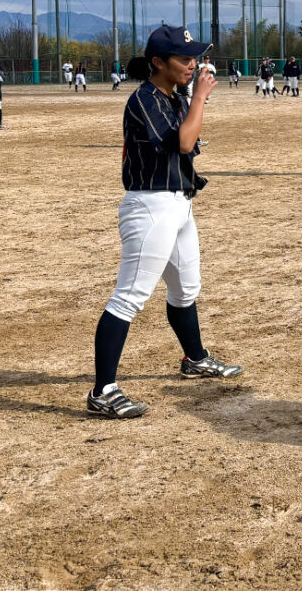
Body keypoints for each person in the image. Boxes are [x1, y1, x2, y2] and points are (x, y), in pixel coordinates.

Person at [86, 25, 242, 419]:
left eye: (194, 57)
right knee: (129, 297)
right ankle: (103, 391)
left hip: (179, 204)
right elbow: (185, 142)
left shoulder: (174, 97)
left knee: (185, 289)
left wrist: (193, 99)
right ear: (157, 62)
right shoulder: (144, 98)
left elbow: (186, 145)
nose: (192, 64)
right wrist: (200, 98)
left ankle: (195, 358)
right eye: (184, 58)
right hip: (151, 205)